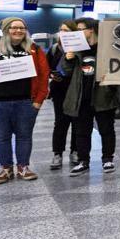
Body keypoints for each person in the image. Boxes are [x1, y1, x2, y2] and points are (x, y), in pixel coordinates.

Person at [0, 17, 51, 184]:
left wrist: (38, 101)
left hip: (25, 102)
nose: (18, 31)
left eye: (22, 28)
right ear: (6, 30)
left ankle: (23, 167)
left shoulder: (34, 49)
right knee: (2, 136)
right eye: (14, 28)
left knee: (24, 136)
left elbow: (44, 76)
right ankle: (6, 168)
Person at [61, 17, 118, 175]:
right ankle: (83, 160)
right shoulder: (76, 49)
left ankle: (107, 159)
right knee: (81, 131)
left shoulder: (107, 48)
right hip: (81, 97)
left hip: (103, 96)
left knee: (106, 130)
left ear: (91, 29)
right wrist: (68, 59)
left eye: (80, 30)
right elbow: (65, 72)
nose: (77, 33)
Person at [46, 19, 80, 171]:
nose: (63, 33)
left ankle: (75, 151)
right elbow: (46, 68)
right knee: (60, 122)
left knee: (77, 122)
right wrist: (52, 75)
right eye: (62, 30)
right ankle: (57, 153)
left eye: (67, 31)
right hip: (59, 90)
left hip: (77, 90)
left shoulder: (81, 48)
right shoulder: (54, 49)